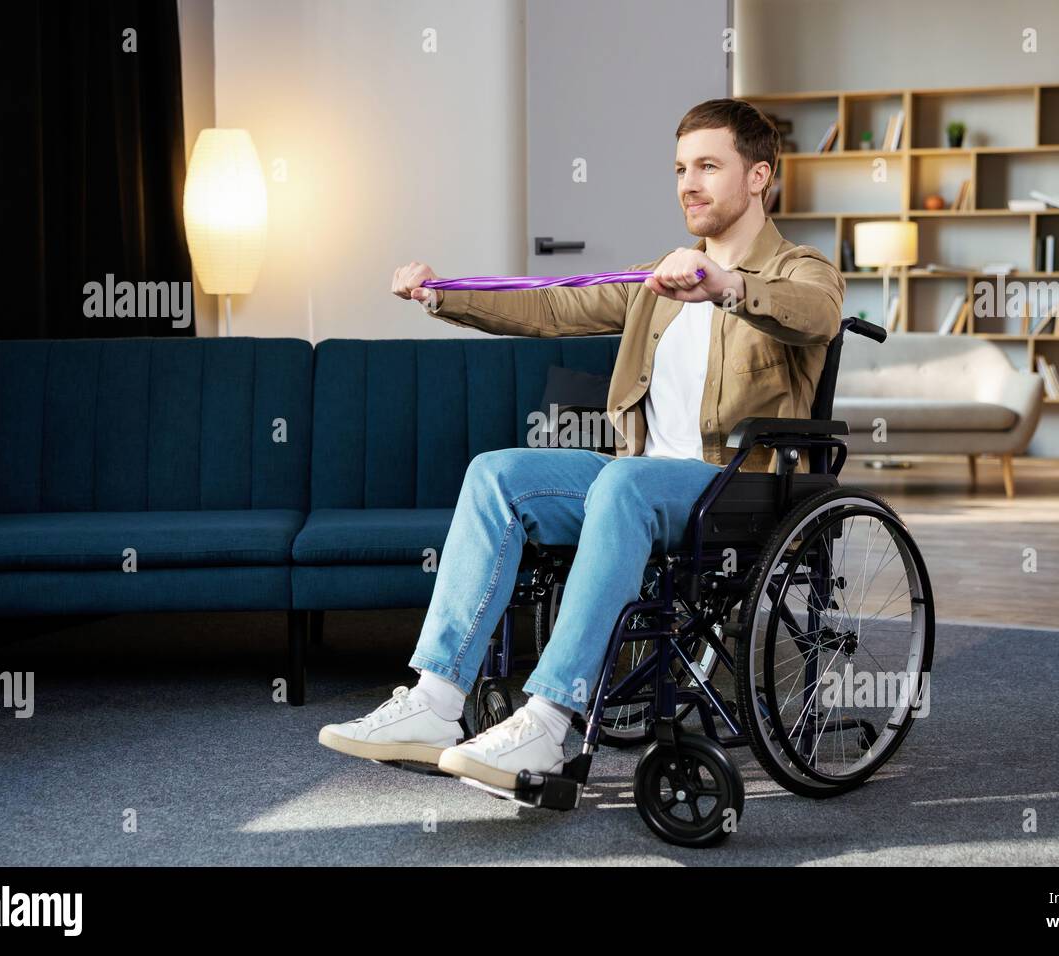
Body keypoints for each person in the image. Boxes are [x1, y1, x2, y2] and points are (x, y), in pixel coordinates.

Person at [318, 97, 845, 792]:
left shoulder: (799, 269)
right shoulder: (658, 280)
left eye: (708, 166)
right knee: (497, 474)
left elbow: (821, 313)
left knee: (626, 483)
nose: (688, 182)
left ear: (758, 178)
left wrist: (728, 286)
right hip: (644, 482)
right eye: (681, 167)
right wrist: (443, 294)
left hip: (736, 487)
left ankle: (547, 722)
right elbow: (552, 304)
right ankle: (435, 701)